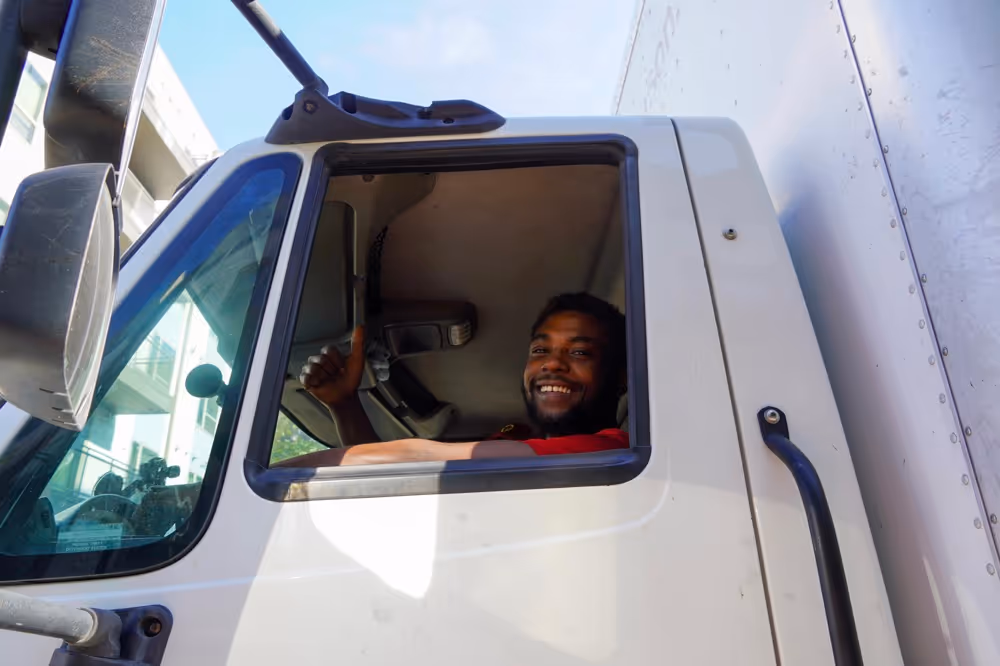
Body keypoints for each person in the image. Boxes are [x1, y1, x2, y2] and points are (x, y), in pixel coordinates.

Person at [277, 293, 629, 467]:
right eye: (539, 350)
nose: (552, 364)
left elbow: (418, 458)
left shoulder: (612, 449)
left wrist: (257, 479)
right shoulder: (514, 437)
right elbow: (394, 482)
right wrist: (344, 403)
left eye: (580, 353)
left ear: (622, 376)